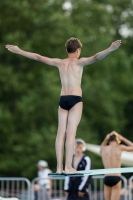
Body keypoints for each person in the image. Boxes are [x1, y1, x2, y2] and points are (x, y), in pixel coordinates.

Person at [5, 38, 121, 174]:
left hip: (63, 99)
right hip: (75, 99)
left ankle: (59, 167)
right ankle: (68, 167)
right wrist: (110, 49)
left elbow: (38, 57)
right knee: (71, 133)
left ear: (67, 50)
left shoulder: (60, 63)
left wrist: (19, 51)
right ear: (78, 50)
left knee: (60, 133)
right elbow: (95, 57)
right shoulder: (79, 62)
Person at [100, 131, 133, 200]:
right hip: (116, 176)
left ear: (108, 139)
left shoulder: (104, 148)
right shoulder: (119, 147)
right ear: (118, 140)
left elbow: (101, 147)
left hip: (107, 177)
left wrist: (106, 139)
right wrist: (123, 138)